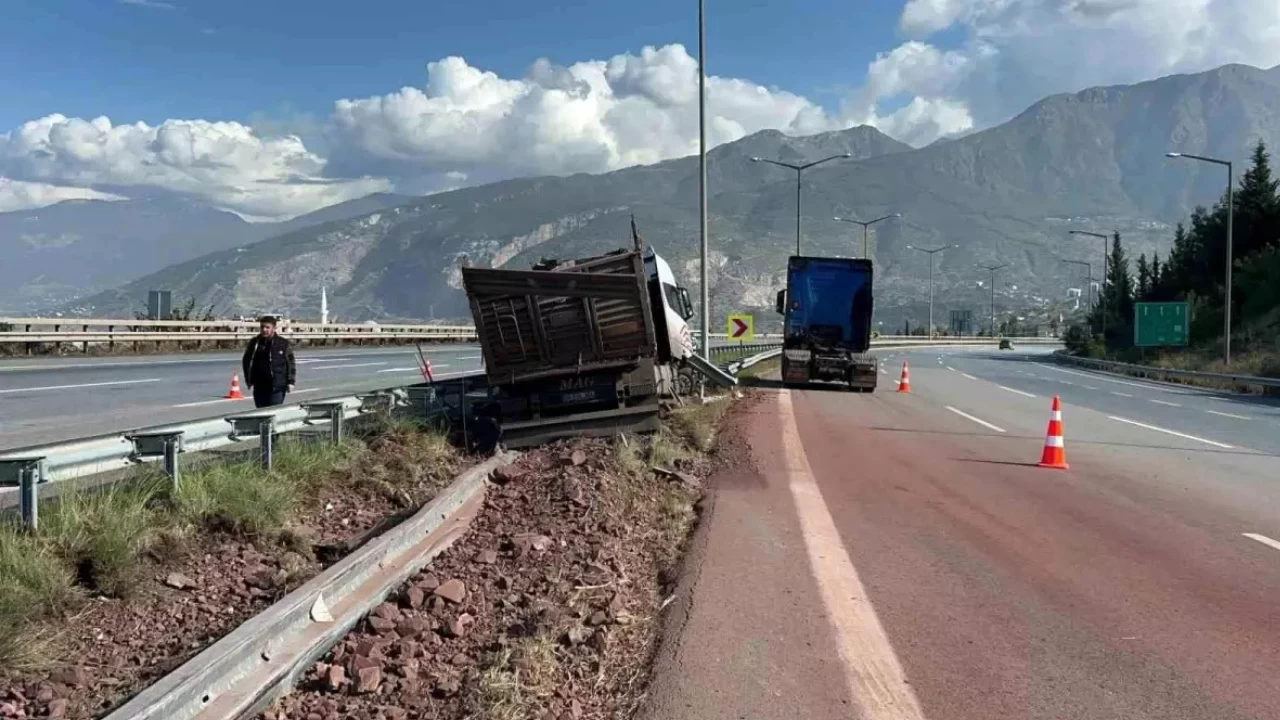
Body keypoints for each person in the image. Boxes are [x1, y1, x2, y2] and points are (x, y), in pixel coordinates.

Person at [241, 315, 296, 408]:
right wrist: (248, 379)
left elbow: (291, 363)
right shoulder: (255, 343)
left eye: (267, 327)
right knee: (261, 414)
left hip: (277, 387)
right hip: (259, 387)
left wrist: (291, 382)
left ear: (274, 328)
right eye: (262, 327)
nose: (264, 330)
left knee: (272, 413)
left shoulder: (283, 343)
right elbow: (246, 361)